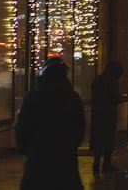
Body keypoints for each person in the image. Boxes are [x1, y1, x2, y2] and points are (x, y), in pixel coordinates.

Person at [16, 57, 86, 190]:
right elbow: (80, 128)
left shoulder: (33, 97)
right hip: (65, 161)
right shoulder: (72, 98)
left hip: (37, 162)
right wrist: (70, 145)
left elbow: (22, 129)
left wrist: (26, 149)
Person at [90, 61, 123, 174]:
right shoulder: (112, 82)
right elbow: (115, 98)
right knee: (108, 139)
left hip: (97, 114)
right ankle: (106, 164)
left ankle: (96, 163)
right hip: (108, 115)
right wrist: (121, 98)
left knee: (97, 140)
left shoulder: (97, 80)